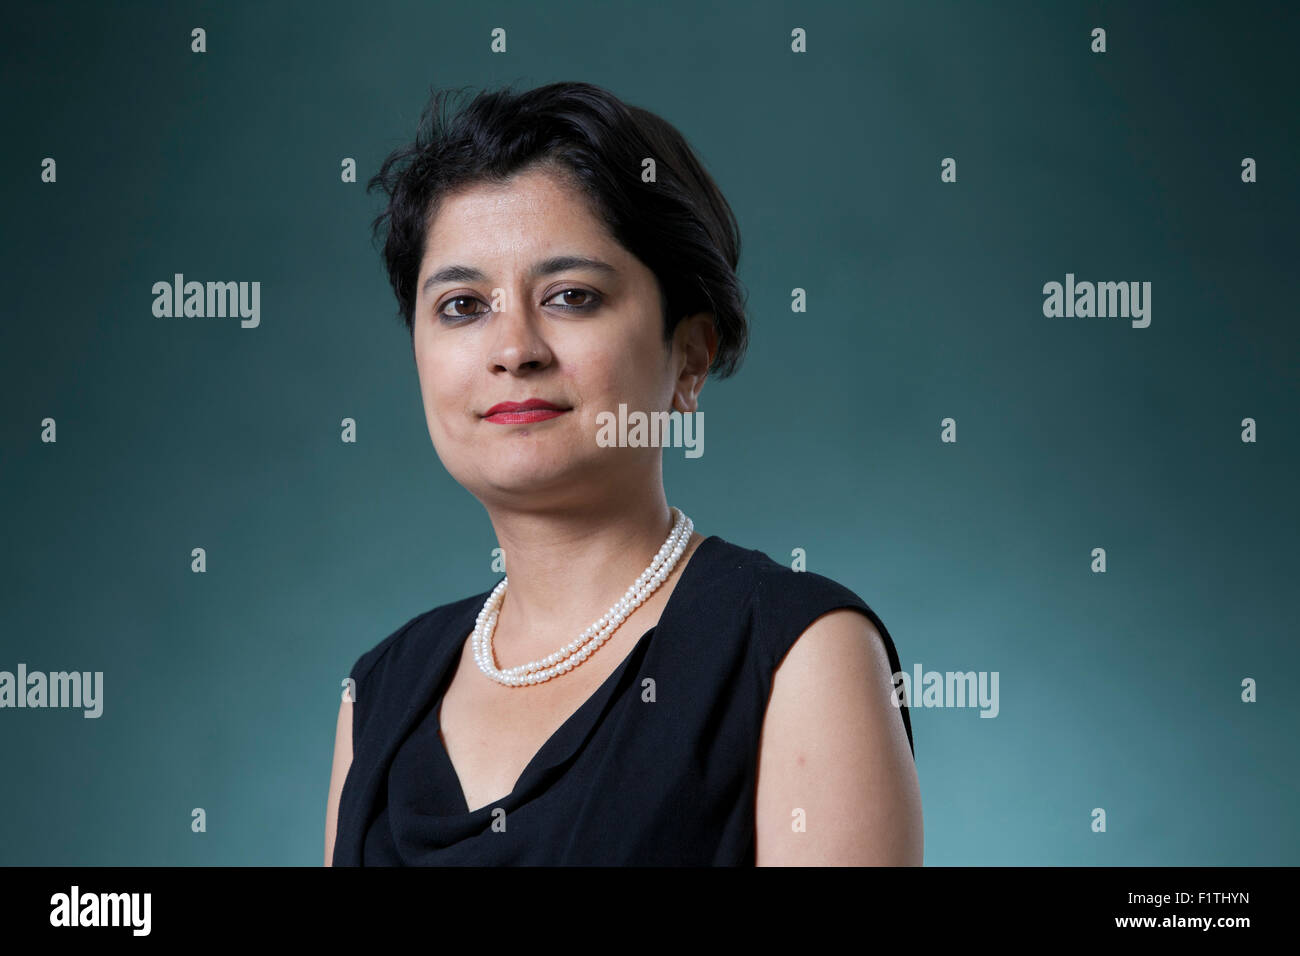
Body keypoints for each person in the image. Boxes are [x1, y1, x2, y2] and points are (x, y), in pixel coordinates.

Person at [324, 81, 922, 865]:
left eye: (572, 296)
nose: (515, 348)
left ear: (690, 356)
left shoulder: (797, 653)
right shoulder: (380, 693)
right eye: (463, 306)